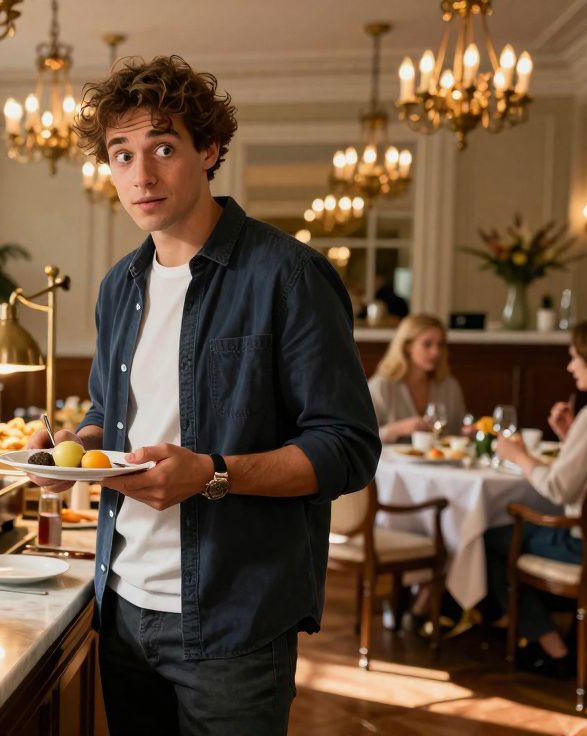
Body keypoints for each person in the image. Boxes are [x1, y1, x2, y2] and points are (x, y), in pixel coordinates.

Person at [26, 56, 380, 734]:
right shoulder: (119, 286)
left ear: (210, 150)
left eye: (163, 147)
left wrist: (213, 474)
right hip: (121, 603)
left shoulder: (289, 275)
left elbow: (348, 447)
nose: (141, 175)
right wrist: (73, 450)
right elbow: (108, 416)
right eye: (121, 154)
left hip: (235, 621)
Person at [490, 315, 587, 677]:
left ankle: (552, 648)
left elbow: (560, 488)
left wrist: (518, 456)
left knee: (490, 540)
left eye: (575, 357)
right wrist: (570, 437)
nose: (570, 366)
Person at [368, 314, 466, 443]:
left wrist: (468, 434)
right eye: (427, 344)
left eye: (441, 344)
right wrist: (397, 429)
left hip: (439, 456)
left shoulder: (450, 387)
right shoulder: (381, 386)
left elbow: (458, 435)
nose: (436, 352)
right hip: (391, 457)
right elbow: (363, 438)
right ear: (407, 346)